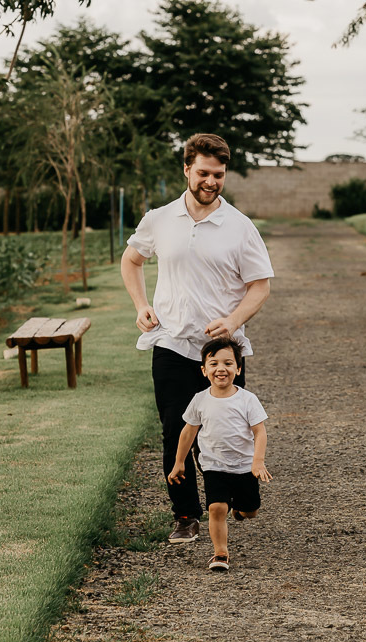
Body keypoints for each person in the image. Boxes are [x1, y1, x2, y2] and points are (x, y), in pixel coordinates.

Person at [121, 133, 274, 544]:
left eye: (218, 175)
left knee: (229, 433)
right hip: (171, 343)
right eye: (204, 172)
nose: (211, 181)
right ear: (187, 169)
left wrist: (233, 320)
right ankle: (186, 514)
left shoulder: (240, 227)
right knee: (176, 432)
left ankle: (239, 495)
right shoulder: (159, 219)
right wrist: (140, 304)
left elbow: (260, 286)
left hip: (222, 353)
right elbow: (132, 260)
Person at [168, 338, 271, 572]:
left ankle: (239, 510)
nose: (221, 369)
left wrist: (258, 462)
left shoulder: (247, 400)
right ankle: (220, 553)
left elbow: (260, 432)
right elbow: (188, 432)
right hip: (213, 465)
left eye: (228, 363)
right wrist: (179, 462)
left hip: (244, 466)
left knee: (251, 511)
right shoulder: (200, 400)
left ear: (238, 369)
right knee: (216, 508)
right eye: (213, 364)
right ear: (204, 370)